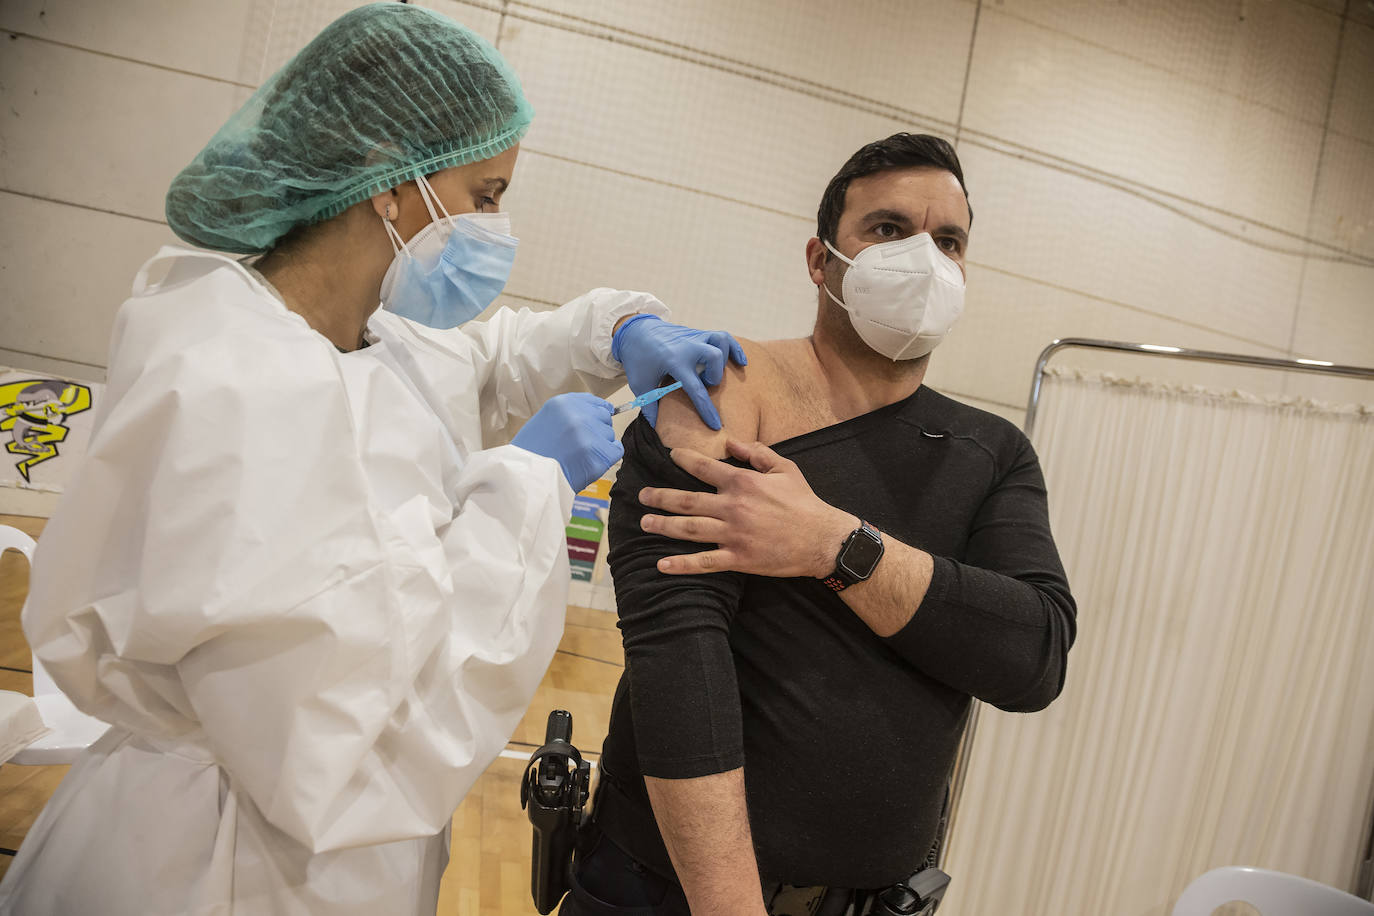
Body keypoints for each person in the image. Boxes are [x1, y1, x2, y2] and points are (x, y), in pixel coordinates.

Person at [0, 4, 742, 915]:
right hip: (217, 863)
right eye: (485, 196)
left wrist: (617, 327)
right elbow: (328, 727)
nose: (494, 228)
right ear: (386, 180)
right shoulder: (235, 385)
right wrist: (527, 488)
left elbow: (488, 359)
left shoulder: (371, 338)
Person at [563, 133, 1078, 915]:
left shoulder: (992, 454)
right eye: (888, 229)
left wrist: (835, 546)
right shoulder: (718, 391)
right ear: (819, 259)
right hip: (665, 894)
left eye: (949, 241)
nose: (924, 260)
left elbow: (1031, 657)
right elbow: (677, 660)